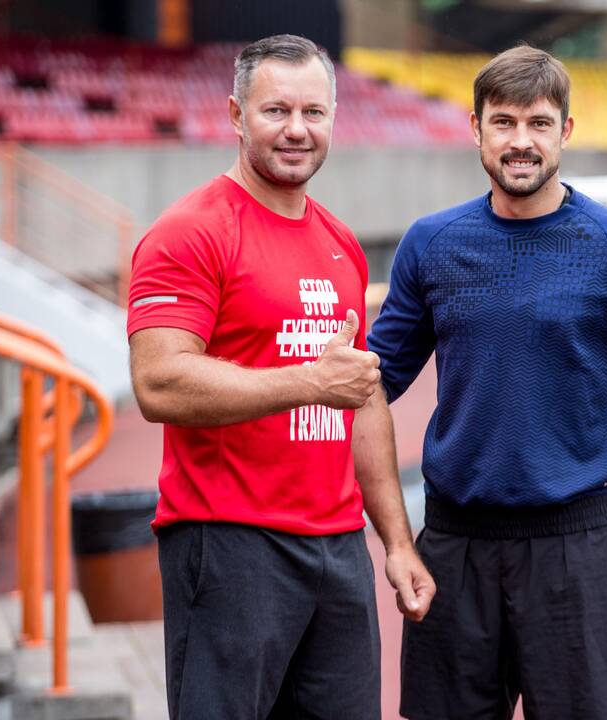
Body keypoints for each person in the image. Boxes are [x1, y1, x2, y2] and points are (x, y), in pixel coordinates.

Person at [365, 46, 607, 719]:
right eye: (503, 122)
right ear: (475, 129)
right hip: (454, 546)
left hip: (576, 549)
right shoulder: (431, 244)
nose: (520, 142)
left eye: (538, 124)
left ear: (565, 132)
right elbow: (372, 382)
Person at [126, 34, 434, 720]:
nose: (297, 130)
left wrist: (397, 542)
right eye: (276, 111)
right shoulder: (190, 232)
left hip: (338, 549)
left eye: (314, 113)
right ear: (237, 115)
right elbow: (159, 384)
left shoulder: (341, 244)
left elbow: (361, 398)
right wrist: (307, 383)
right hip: (230, 542)